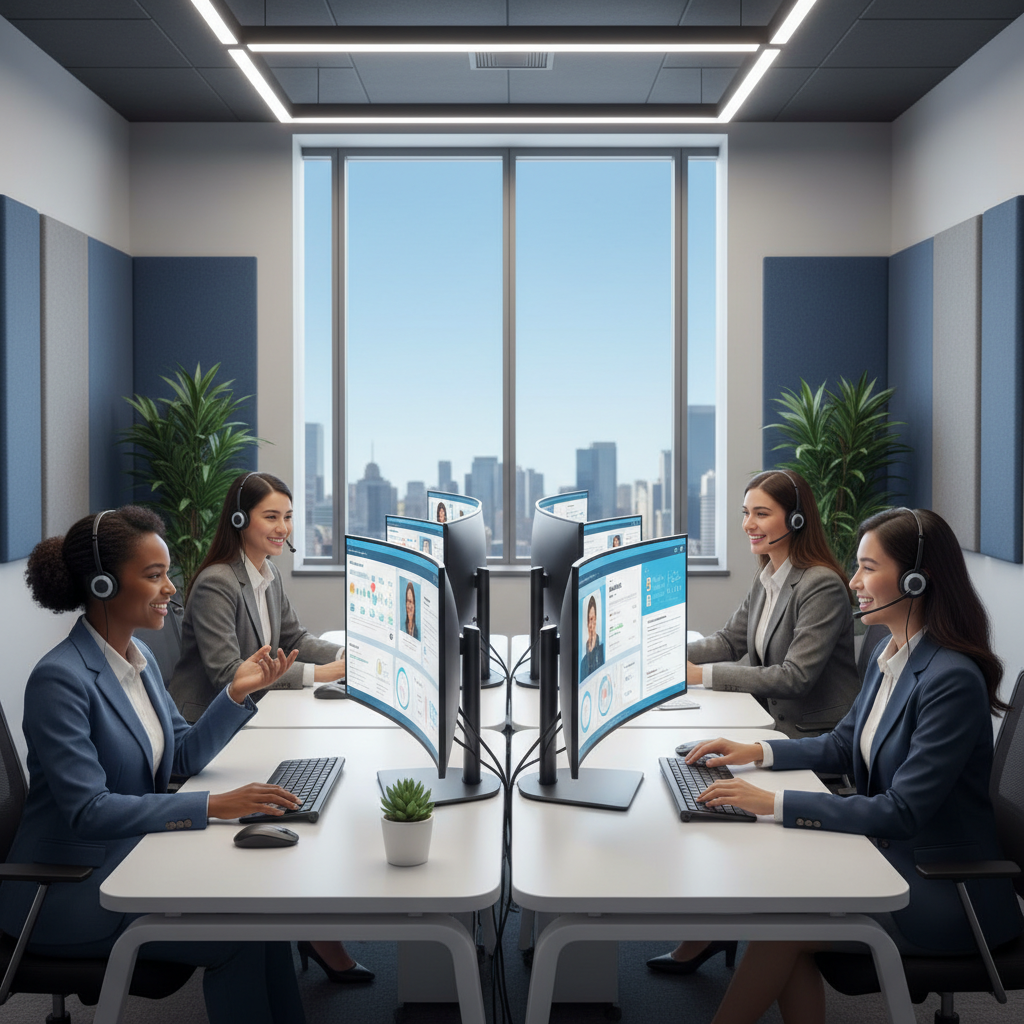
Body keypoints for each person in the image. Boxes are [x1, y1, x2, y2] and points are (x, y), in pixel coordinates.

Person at [686, 507, 1023, 1024]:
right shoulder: (894, 651)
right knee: (776, 905)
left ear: (915, 581)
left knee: (783, 925)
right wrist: (755, 752)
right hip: (891, 859)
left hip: (946, 890)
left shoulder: (949, 679)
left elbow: (902, 811)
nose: (853, 581)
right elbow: (844, 745)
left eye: (867, 568)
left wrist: (772, 802)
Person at [0, 507, 306, 1024]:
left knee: (264, 913)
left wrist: (235, 692)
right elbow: (90, 811)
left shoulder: (136, 657)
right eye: (153, 575)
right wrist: (213, 806)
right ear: (102, 584)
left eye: (167, 573)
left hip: (134, 860)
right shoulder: (60, 680)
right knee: (239, 937)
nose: (170, 588)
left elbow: (179, 755)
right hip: (67, 890)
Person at [647, 468, 860, 976]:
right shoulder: (770, 574)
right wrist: (658, 656)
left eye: (761, 513)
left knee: (707, 790)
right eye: (745, 512)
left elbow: (795, 677)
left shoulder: (821, 586)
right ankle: (712, 926)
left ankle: (712, 926)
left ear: (797, 517)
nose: (748, 524)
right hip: (771, 727)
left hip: (812, 738)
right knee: (695, 768)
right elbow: (727, 642)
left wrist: (700, 676)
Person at [168, 472, 371, 983]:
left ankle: (308, 919)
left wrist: (353, 654)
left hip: (250, 720)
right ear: (240, 520)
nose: (283, 528)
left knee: (315, 782)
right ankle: (309, 923)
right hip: (208, 728)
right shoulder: (218, 581)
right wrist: (320, 674)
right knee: (303, 793)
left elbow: (294, 635)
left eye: (288, 517)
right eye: (271, 517)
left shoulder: (267, 573)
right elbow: (227, 673)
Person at [579, 594, 605, 678]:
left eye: (592, 619)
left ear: (596, 620)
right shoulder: (583, 663)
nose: (591, 625)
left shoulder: (603, 651)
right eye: (589, 620)